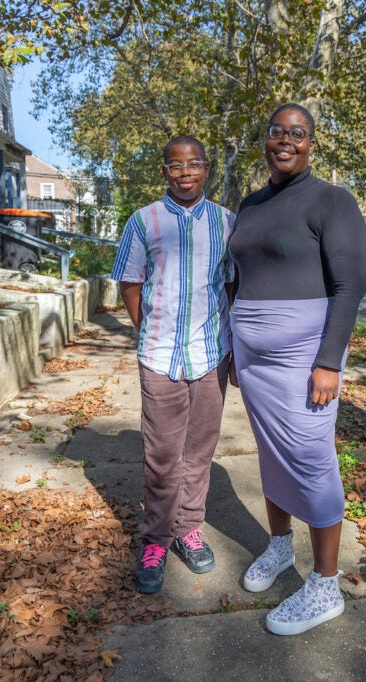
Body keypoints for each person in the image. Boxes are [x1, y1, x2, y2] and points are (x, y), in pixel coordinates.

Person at [229, 103, 366, 635]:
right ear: (265, 140)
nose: (285, 140)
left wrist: (329, 362)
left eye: (298, 133)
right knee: (270, 451)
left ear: (311, 143)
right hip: (254, 356)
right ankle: (280, 547)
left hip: (306, 353)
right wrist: (240, 346)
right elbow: (240, 276)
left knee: (310, 455)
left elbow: (350, 286)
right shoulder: (252, 202)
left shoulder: (333, 201)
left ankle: (326, 585)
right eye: (276, 132)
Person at [110, 135, 236, 594]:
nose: (186, 173)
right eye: (176, 166)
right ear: (164, 171)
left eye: (194, 164)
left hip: (210, 356)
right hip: (159, 356)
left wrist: (235, 349)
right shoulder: (144, 221)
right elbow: (130, 280)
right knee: (162, 457)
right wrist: (147, 330)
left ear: (206, 168)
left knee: (198, 454)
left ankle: (187, 530)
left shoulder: (227, 222)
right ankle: (156, 540)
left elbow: (232, 287)